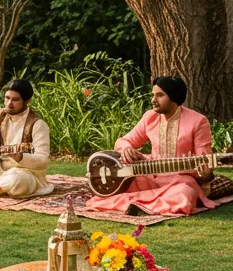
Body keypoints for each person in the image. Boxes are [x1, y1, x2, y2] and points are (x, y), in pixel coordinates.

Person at [86, 75, 213, 218]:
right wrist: (127, 148)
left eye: (160, 95)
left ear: (174, 97)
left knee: (184, 194)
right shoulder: (150, 117)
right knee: (113, 191)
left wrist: (205, 173)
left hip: (179, 181)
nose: (153, 100)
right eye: (153, 95)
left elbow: (204, 161)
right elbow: (123, 141)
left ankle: (137, 205)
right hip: (150, 176)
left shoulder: (198, 121)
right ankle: (145, 205)